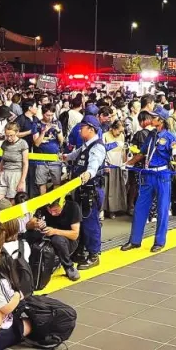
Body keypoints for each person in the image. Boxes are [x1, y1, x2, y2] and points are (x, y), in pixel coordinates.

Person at [121, 109, 176, 253]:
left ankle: (159, 241)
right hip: (148, 175)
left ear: (161, 120)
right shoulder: (151, 134)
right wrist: (128, 163)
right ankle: (134, 240)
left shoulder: (170, 137)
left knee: (162, 209)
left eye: (154, 117)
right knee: (140, 208)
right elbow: (142, 153)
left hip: (162, 175)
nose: (151, 118)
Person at [61, 114, 110, 269]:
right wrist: (65, 157)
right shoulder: (86, 145)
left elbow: (93, 165)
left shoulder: (97, 147)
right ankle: (81, 250)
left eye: (82, 127)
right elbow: (74, 155)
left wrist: (88, 174)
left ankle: (94, 254)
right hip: (81, 190)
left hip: (91, 190)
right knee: (80, 221)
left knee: (91, 223)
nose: (79, 130)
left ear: (91, 129)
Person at [26, 197, 83, 281]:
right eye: (50, 210)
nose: (52, 214)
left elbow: (75, 235)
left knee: (57, 239)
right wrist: (36, 224)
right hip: (48, 238)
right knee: (28, 234)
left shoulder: (73, 207)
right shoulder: (44, 207)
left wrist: (55, 231)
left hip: (68, 241)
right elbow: (28, 225)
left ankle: (68, 266)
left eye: (56, 210)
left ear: (63, 204)